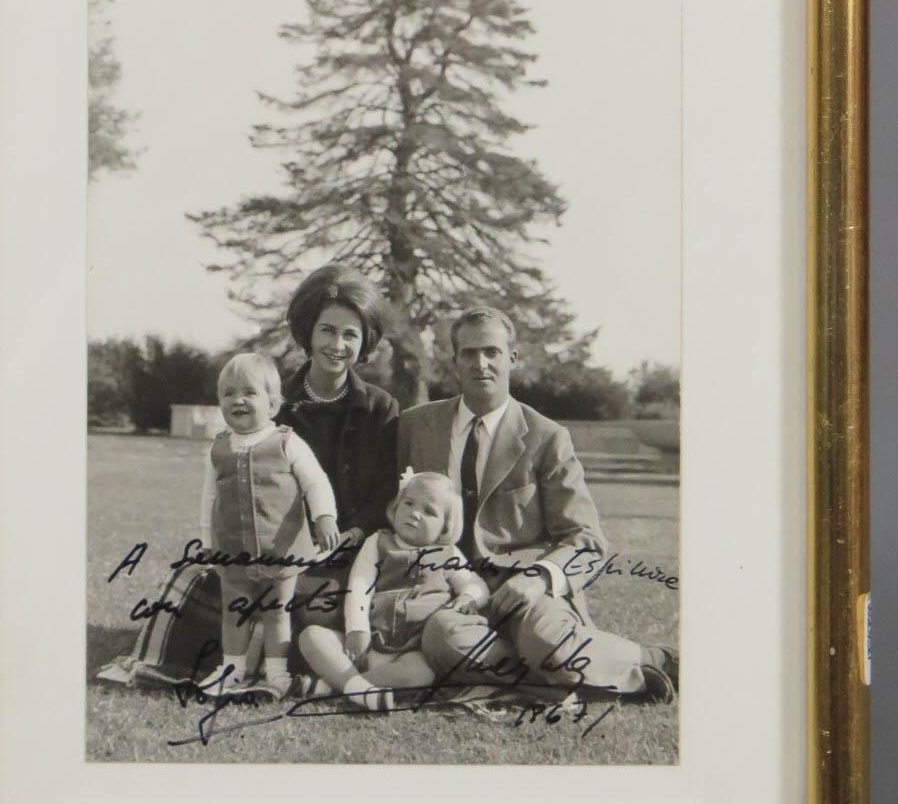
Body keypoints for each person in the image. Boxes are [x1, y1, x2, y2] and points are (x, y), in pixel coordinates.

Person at [397, 306, 678, 701]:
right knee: (442, 639)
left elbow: (586, 539)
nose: (481, 363)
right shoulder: (414, 426)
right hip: (452, 594)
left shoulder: (547, 437)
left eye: (492, 352)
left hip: (526, 591)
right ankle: (561, 682)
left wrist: (540, 577)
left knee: (549, 645)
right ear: (454, 361)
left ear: (512, 357)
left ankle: (649, 660)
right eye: (469, 353)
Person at [197, 352, 339, 698]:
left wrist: (324, 517)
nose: (238, 400)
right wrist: (205, 540)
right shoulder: (217, 449)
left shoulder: (287, 442)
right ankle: (231, 670)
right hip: (232, 550)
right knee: (235, 613)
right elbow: (209, 498)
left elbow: (316, 482)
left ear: (273, 403)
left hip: (282, 550)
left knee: (277, 613)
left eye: (249, 392)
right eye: (228, 394)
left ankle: (277, 672)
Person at [297, 470, 489, 712]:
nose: (415, 514)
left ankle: (337, 688)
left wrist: (469, 597)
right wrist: (357, 630)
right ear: (396, 507)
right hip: (370, 642)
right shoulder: (378, 542)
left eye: (429, 511)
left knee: (423, 673)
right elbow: (359, 585)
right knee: (311, 636)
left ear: (445, 527)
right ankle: (357, 689)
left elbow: (475, 584)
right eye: (408, 503)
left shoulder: (448, 553)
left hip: (410, 652)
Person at [276, 264, 399, 546]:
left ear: (365, 340)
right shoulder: (275, 404)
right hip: (284, 552)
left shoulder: (381, 408)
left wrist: (356, 532)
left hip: (360, 552)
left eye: (350, 335)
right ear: (309, 332)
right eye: (327, 330)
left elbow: (388, 488)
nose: (338, 344)